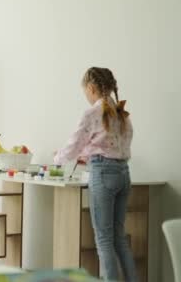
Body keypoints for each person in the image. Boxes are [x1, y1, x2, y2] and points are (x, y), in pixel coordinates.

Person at [54, 67, 136, 281]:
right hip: (123, 173)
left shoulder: (92, 113)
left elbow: (74, 143)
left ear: (91, 88)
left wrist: (57, 159)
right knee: (119, 238)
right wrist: (89, 155)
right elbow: (119, 146)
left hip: (103, 174)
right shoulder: (120, 113)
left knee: (104, 240)